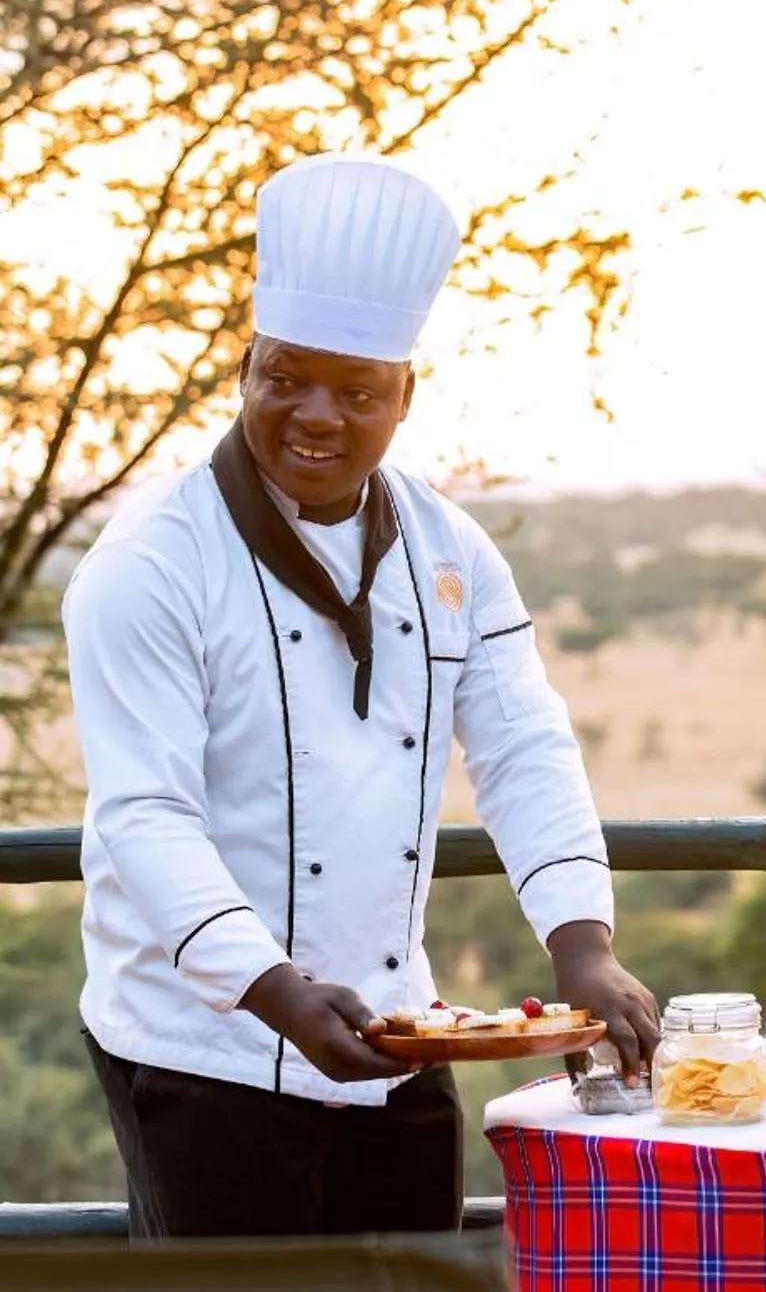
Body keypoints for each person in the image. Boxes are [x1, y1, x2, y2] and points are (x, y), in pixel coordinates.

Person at [64, 154, 662, 1238]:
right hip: (204, 1044)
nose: (315, 415)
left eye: (356, 389)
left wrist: (584, 943)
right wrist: (276, 989)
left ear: (405, 396)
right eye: (284, 376)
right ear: (245, 366)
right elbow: (146, 814)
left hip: (395, 1033)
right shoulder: (149, 560)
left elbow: (523, 742)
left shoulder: (450, 548)